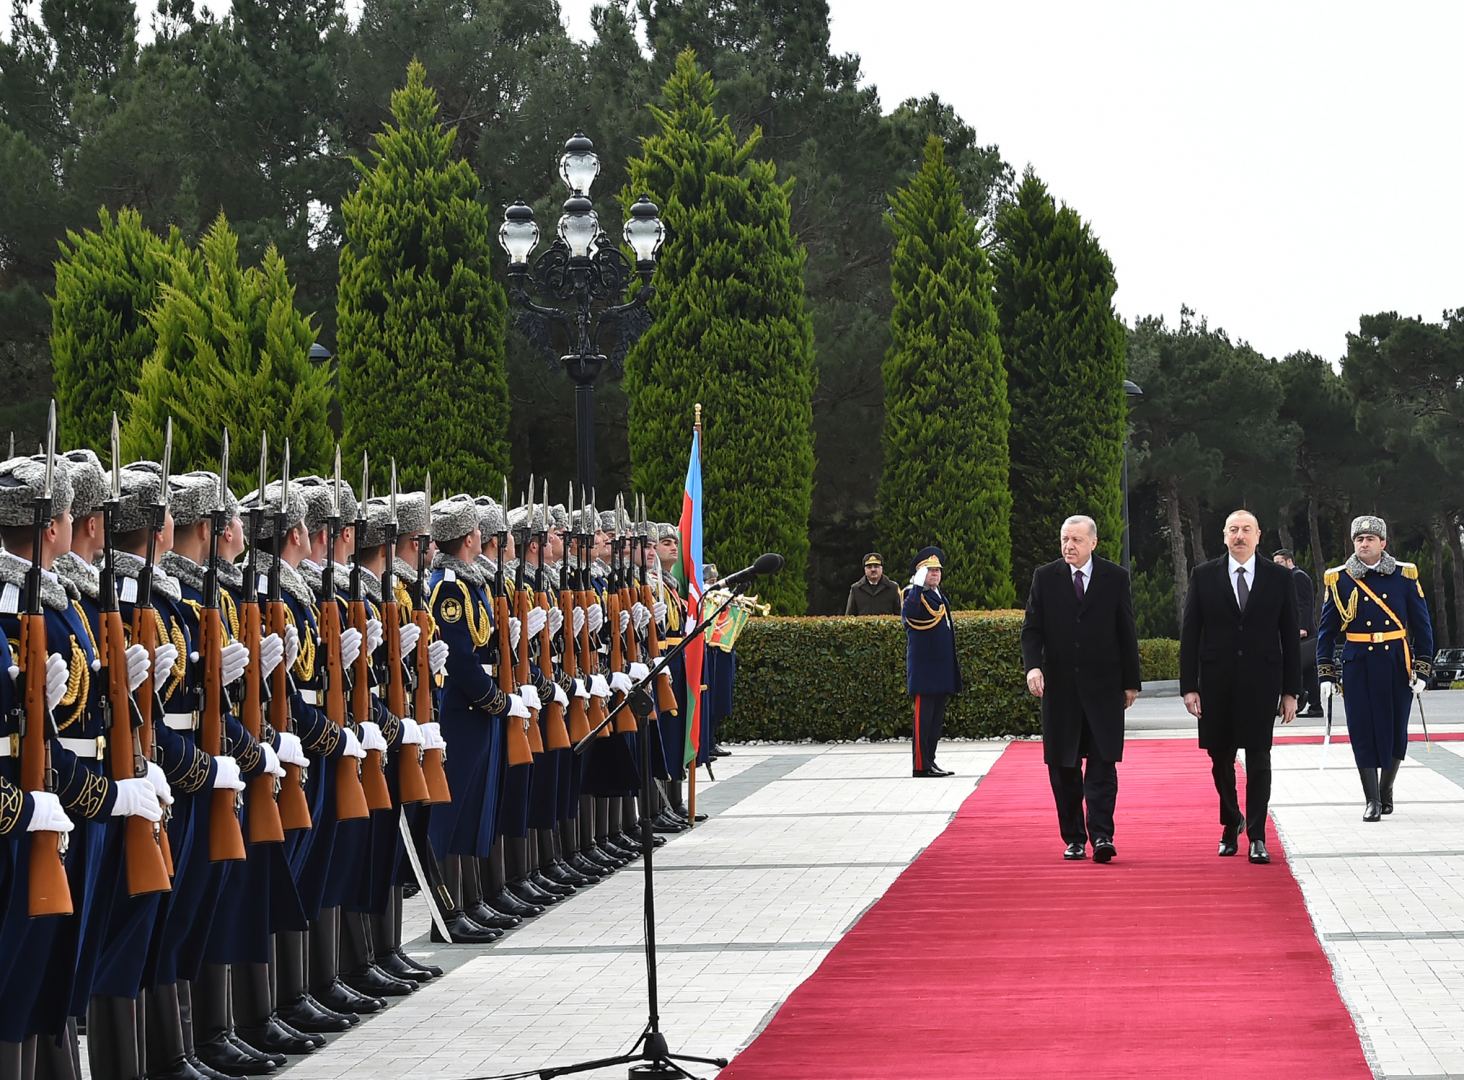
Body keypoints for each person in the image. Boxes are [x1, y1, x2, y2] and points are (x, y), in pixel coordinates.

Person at [1179, 510, 1300, 864]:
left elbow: (1289, 637)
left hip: (1262, 684)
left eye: (1246, 530)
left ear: (1259, 535)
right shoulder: (1204, 576)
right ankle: (1231, 822)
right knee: (1220, 759)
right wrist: (1189, 687)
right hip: (1216, 684)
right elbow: (1190, 634)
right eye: (1233, 530)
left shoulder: (1279, 578)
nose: (1240, 536)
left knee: (1260, 758)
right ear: (1224, 535)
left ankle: (1258, 836)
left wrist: (1291, 690)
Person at [1021, 516, 1141, 862]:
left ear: (1093, 542)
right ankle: (1074, 837)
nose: (1068, 546)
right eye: (1064, 539)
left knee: (1103, 764)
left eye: (1075, 540)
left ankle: (1102, 836)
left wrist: (1131, 682)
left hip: (1104, 688)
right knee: (1064, 767)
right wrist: (1033, 667)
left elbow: (1126, 631)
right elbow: (1032, 629)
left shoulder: (1114, 578)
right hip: (1060, 690)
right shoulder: (1045, 577)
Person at [1315, 516, 1434, 821]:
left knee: (1396, 728)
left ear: (1383, 543)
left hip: (1396, 660)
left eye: (1370, 539)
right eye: (1359, 540)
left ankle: (1386, 787)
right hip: (1359, 663)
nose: (1364, 544)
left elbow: (1422, 626)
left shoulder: (1403, 576)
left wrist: (1422, 668)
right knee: (1361, 728)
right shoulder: (1339, 578)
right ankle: (1371, 799)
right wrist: (1325, 671)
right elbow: (1326, 631)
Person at [902, 547, 961, 777]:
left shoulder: (938, 596)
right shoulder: (911, 594)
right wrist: (917, 586)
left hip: (940, 667)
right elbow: (909, 614)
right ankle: (920, 765)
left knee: (935, 720)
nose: (935, 574)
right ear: (919, 574)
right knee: (923, 719)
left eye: (937, 571)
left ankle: (931, 760)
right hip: (924, 667)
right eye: (930, 570)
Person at [1274, 549, 1322, 717]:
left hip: (1303, 633)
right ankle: (1315, 706)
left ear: (1289, 561)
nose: (1277, 566)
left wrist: (1302, 627)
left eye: (1279, 562)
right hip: (1299, 631)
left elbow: (1304, 604)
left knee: (1290, 665)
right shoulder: (1288, 578)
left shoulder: (1298, 576)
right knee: (1308, 671)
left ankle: (1300, 696)